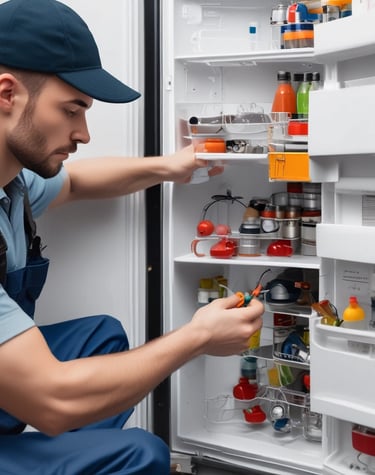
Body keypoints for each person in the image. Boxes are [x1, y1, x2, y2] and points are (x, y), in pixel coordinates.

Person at [0, 0, 265, 473]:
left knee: (101, 337)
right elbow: (52, 402)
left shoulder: (12, 185)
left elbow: (79, 181)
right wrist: (197, 337)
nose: (83, 133)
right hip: (34, 394)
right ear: (6, 93)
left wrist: (169, 167)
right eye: (72, 109)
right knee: (142, 454)